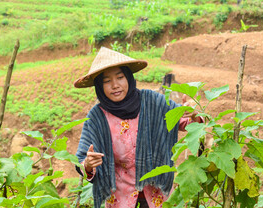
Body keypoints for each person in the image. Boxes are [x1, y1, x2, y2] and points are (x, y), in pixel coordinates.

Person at [74, 47, 201, 208]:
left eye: (120, 77)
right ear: (99, 86)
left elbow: (186, 122)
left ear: (128, 77)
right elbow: (82, 159)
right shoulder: (97, 118)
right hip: (120, 198)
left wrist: (192, 112)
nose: (115, 85)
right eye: (107, 81)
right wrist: (89, 165)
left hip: (157, 193)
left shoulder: (153, 102)